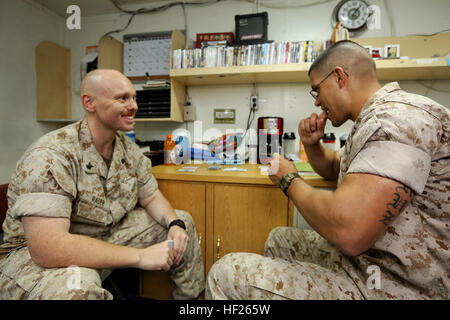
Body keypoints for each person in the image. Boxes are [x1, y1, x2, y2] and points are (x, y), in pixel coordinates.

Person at [206, 40, 449, 300]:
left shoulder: (394, 121)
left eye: (316, 90)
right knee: (280, 239)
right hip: (374, 261)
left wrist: (288, 179)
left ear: (339, 76)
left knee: (225, 273)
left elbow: (349, 232)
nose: (317, 102)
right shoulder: (374, 117)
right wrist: (312, 145)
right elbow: (336, 168)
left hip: (401, 285)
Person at [0, 69, 205, 299]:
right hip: (36, 255)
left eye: (134, 98)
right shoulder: (51, 155)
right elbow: (48, 249)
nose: (134, 105)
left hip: (103, 233)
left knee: (181, 226)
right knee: (78, 290)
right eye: (122, 98)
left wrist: (175, 223)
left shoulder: (127, 149)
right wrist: (141, 256)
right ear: (89, 103)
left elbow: (150, 196)